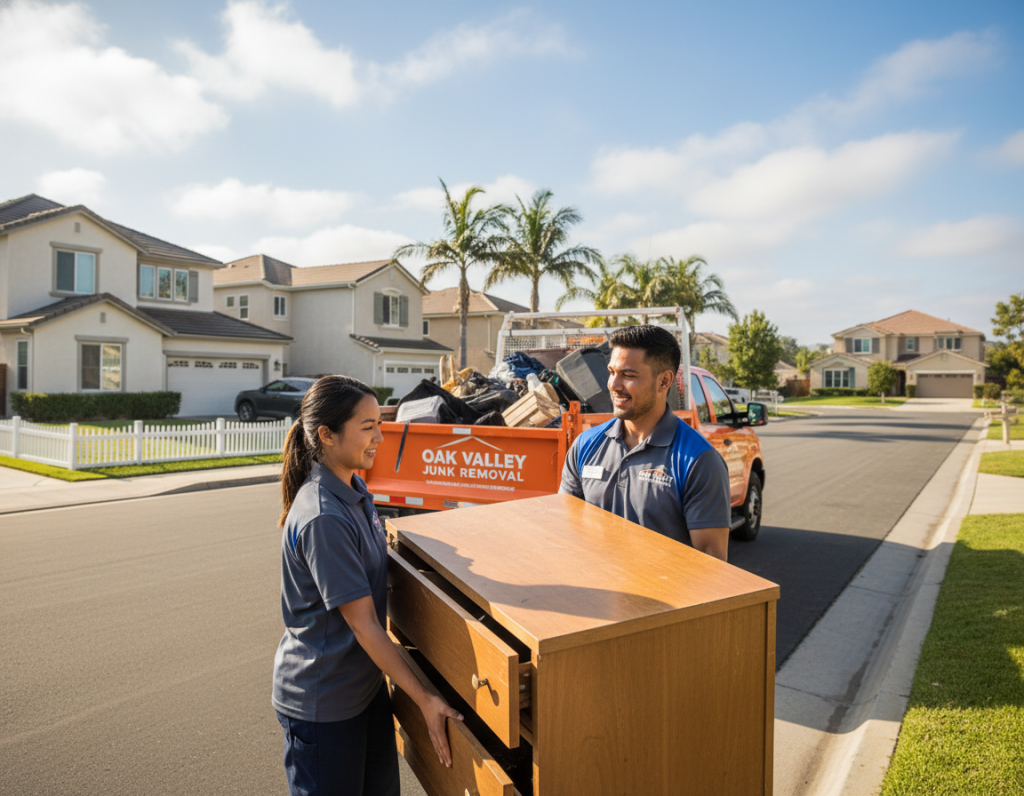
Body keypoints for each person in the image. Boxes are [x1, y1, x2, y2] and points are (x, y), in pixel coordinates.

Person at [272, 375, 462, 796]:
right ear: (326, 434)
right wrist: (424, 698)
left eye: (380, 422)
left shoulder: (354, 488)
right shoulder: (324, 516)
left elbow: (378, 554)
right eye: (367, 427)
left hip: (363, 689)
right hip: (325, 704)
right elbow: (364, 626)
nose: (380, 436)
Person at [559, 325, 731, 561]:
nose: (613, 384)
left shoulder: (698, 460)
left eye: (628, 375)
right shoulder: (585, 446)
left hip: (665, 597)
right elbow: (564, 532)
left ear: (664, 381)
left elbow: (712, 565)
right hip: (594, 594)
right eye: (611, 372)